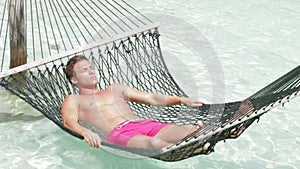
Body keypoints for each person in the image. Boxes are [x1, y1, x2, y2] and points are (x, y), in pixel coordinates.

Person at [61, 55, 205, 149]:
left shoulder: (115, 89)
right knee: (154, 143)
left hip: (143, 124)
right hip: (121, 133)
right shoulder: (74, 99)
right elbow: (69, 121)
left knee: (188, 129)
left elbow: (152, 98)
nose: (91, 72)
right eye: (84, 70)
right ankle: (193, 147)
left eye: (91, 68)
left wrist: (181, 100)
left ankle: (219, 132)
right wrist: (85, 131)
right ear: (74, 79)